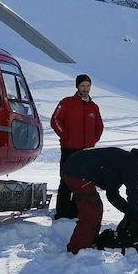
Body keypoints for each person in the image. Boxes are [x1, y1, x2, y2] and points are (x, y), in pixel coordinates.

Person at [60, 147, 138, 253]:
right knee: (91, 212)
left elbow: (112, 194)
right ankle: (77, 248)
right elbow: (133, 193)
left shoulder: (126, 161)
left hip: (75, 168)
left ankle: (88, 242)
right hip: (78, 172)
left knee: (95, 208)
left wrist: (129, 211)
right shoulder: (132, 165)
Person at [49, 74, 104, 220]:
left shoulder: (94, 107)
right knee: (66, 181)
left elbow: (99, 126)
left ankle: (76, 212)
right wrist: (65, 136)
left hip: (86, 151)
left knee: (83, 182)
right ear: (77, 87)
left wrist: (93, 140)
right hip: (69, 149)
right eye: (82, 86)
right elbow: (55, 120)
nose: (85, 89)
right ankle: (61, 213)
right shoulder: (67, 102)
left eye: (88, 86)